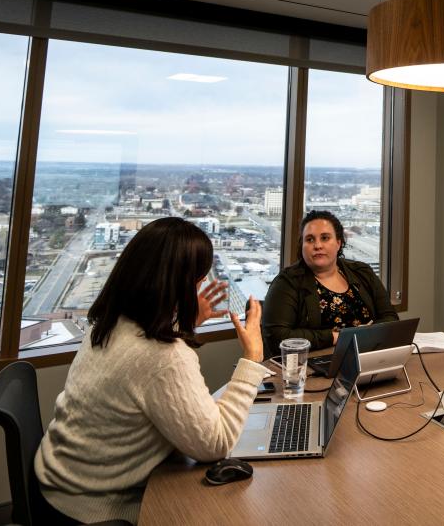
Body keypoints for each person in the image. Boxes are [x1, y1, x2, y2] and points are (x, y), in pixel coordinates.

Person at [35, 217, 269, 525]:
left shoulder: (109, 321)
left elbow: (143, 361)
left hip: (59, 482)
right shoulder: (164, 357)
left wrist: (184, 324)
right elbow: (216, 443)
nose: (199, 288)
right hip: (96, 509)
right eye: (197, 281)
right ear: (179, 285)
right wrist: (252, 357)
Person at [262, 209, 399, 356]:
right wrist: (335, 337)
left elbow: (391, 319)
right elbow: (278, 337)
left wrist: (363, 334)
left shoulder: (362, 272)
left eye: (325, 238)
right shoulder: (286, 283)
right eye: (310, 239)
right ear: (302, 246)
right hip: (313, 366)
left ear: (339, 243)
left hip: (368, 357)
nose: (318, 245)